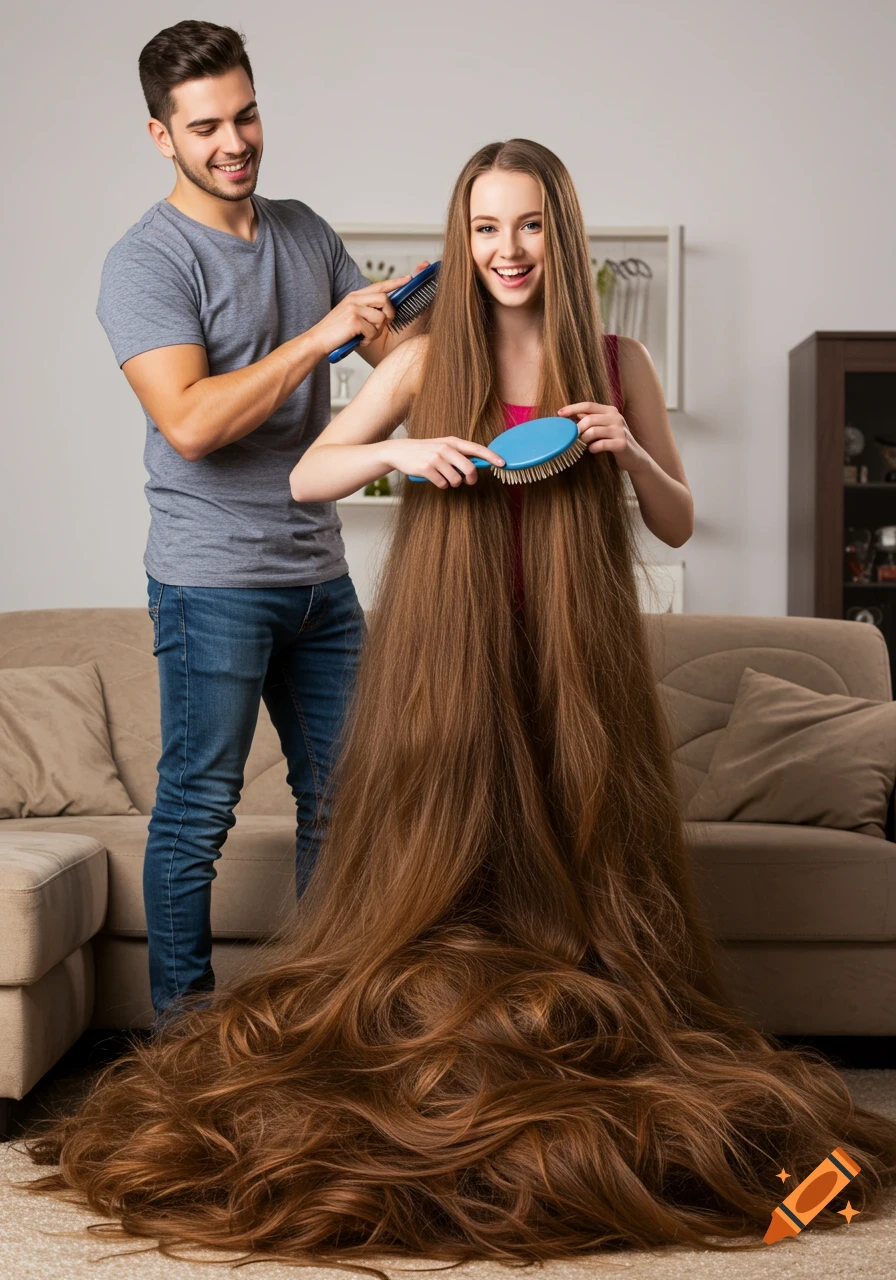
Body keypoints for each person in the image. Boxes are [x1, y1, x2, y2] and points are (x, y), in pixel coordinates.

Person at [28, 139, 896, 1267]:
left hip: (577, 678)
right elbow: (303, 475)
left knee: (586, 903)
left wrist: (630, 451)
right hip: (457, 673)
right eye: (485, 228)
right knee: (446, 914)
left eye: (528, 225)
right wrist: (402, 446)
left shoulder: (618, 361)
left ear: (561, 233)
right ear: (461, 239)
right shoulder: (427, 356)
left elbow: (676, 521)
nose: (506, 249)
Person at [96, 21, 424, 1019]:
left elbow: (397, 379)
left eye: (245, 115)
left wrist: (456, 309)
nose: (233, 141)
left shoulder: (302, 229)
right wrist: (317, 337)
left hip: (318, 578)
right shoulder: (145, 262)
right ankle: (182, 1038)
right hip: (209, 580)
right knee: (199, 809)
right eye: (206, 127)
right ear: (161, 135)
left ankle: (326, 1017)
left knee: (347, 800)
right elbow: (190, 422)